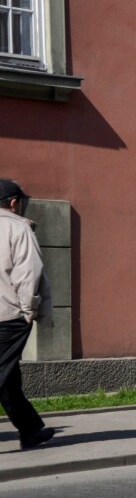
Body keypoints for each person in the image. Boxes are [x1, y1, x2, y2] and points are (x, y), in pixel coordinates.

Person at [0, 178, 55, 450]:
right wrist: (29, 310)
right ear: (14, 203)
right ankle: (30, 429)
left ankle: (30, 429)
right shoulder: (18, 228)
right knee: (3, 373)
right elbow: (28, 272)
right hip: (8, 316)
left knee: (8, 376)